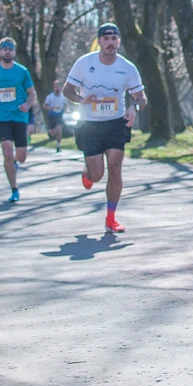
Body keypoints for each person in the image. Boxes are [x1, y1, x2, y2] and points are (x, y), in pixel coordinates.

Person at [63, 25, 147, 232]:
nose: (110, 42)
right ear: (99, 41)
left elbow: (141, 97)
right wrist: (82, 99)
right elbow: (67, 90)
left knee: (115, 168)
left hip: (115, 123)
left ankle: (111, 218)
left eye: (114, 39)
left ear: (119, 42)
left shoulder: (128, 68)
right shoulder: (84, 63)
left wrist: (133, 107)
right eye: (106, 38)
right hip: (89, 124)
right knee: (97, 174)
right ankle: (88, 173)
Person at [0, 37, 37, 202]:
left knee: (21, 156)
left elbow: (32, 93)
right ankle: (14, 189)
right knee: (7, 153)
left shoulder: (22, 71)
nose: (7, 51)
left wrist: (27, 105)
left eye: (10, 49)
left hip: (19, 116)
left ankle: (14, 163)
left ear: (14, 52)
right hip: (2, 116)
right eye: (4, 49)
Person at [42, 80, 69, 153]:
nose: (57, 88)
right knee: (53, 133)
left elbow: (66, 105)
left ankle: (58, 145)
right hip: (52, 116)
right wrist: (50, 108)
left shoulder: (63, 97)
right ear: (53, 88)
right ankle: (50, 132)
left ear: (61, 88)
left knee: (59, 130)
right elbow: (44, 105)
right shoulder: (50, 97)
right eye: (55, 87)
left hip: (59, 116)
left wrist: (66, 109)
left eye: (58, 87)